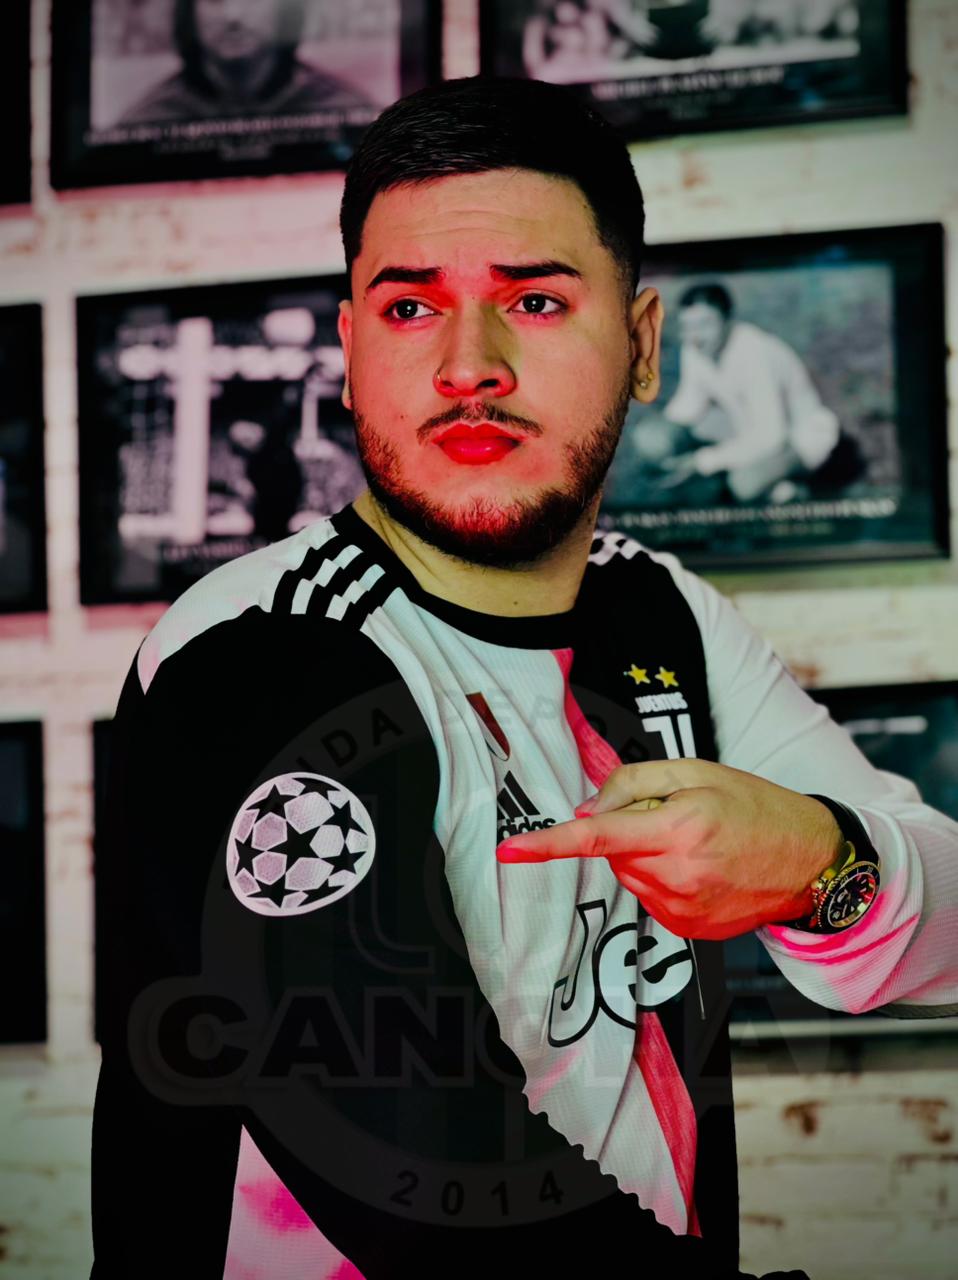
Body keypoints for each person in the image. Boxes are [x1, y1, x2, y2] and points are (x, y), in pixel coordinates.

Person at [89, 76, 958, 1279]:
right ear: (348, 351)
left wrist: (819, 860)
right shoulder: (256, 653)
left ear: (641, 346)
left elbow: (937, 926)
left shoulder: (658, 610)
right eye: (409, 308)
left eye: (535, 300)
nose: (469, 365)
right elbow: (434, 1200)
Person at [650, 281, 864, 504]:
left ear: (728, 321)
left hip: (797, 440)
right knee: (654, 436)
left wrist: (702, 461)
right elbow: (689, 403)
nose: (695, 336)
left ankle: (797, 488)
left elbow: (772, 436)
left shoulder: (755, 353)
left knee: (743, 484)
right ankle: (762, 480)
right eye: (687, 326)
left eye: (705, 324)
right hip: (748, 427)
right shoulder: (695, 347)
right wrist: (662, 436)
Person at [119, 0, 374, 126]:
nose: (233, 16)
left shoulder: (348, 110)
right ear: (188, 13)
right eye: (215, 0)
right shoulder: (145, 120)